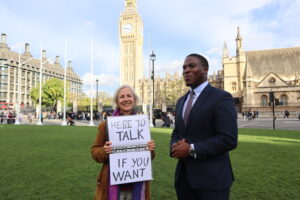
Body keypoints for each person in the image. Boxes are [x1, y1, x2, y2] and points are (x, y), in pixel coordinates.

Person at [170, 53, 238, 200]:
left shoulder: (221, 97)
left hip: (212, 181)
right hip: (184, 180)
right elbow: (177, 131)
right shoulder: (181, 101)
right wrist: (174, 146)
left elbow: (228, 139)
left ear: (205, 69)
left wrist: (191, 149)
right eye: (184, 68)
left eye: (191, 66)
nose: (186, 70)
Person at [91, 85, 155, 200]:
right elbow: (95, 152)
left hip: (136, 187)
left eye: (129, 96)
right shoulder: (105, 125)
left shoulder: (141, 125)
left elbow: (148, 157)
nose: (126, 99)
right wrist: (104, 151)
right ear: (117, 101)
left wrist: (150, 149)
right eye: (122, 97)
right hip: (112, 186)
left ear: (134, 100)